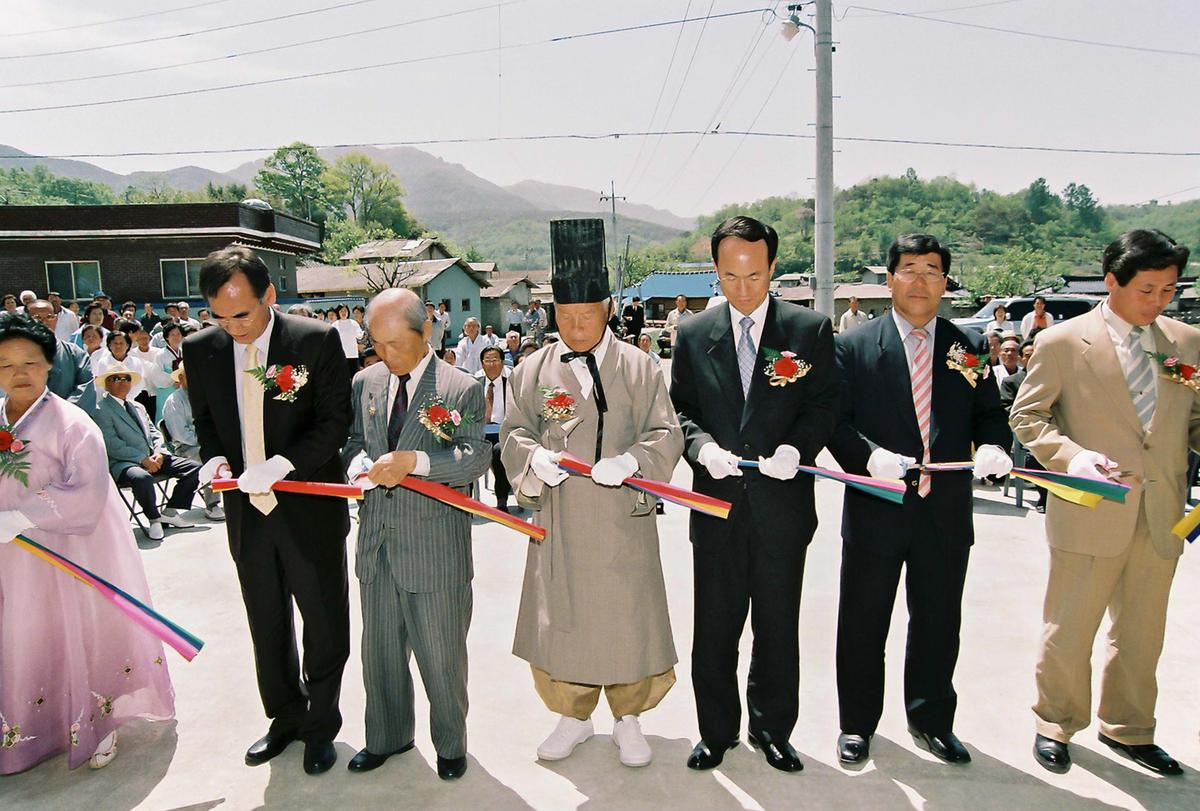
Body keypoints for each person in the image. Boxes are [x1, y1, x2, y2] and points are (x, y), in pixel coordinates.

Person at [1011, 230, 1198, 777]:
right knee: (1070, 626)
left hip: (1162, 510)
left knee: (1143, 631)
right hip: (1091, 508)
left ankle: (1130, 727)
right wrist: (1070, 457)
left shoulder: (1185, 343)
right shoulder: (1064, 343)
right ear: (1111, 281)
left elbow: (1192, 421)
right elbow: (1028, 418)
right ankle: (1055, 722)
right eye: (1148, 289)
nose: (1160, 301)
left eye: (1169, 289)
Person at [501, 218, 683, 769]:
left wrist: (634, 461)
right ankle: (573, 717)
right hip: (561, 518)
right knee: (567, 615)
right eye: (565, 317)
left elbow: (666, 432)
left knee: (627, 616)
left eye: (587, 315)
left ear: (607, 308)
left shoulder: (639, 366)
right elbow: (513, 432)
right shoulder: (533, 369)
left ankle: (629, 718)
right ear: (552, 315)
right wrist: (535, 458)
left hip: (623, 518)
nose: (577, 328)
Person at [826, 234, 1011, 768]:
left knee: (937, 621)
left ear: (944, 282)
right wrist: (866, 459)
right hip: (877, 506)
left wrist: (996, 444)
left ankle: (931, 719)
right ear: (889, 279)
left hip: (945, 512)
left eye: (933, 270)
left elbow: (989, 415)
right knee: (863, 622)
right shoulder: (855, 346)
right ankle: (856, 725)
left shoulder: (966, 348)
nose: (921, 280)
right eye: (909, 269)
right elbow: (835, 423)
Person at [671, 216, 839, 773]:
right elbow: (681, 411)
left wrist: (798, 447)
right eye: (729, 276)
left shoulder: (808, 330)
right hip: (716, 505)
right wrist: (701, 450)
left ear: (772, 269)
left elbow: (822, 406)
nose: (742, 290)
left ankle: (772, 729)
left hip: (782, 507)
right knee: (715, 625)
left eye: (754, 275)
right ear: (716, 272)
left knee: (775, 624)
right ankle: (715, 731)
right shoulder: (695, 334)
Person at [183, 245, 352, 776]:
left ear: (270, 296)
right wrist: (212, 459)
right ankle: (285, 716)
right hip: (246, 514)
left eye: (243, 314)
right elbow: (207, 421)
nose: (232, 326)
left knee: (323, 622)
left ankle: (322, 724)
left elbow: (332, 424)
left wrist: (281, 464)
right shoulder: (202, 348)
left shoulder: (315, 340)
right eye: (219, 315)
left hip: (307, 507)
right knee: (266, 621)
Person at [0, 313, 175, 775]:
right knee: (25, 632)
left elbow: (89, 492)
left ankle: (101, 718)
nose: (19, 375)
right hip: (12, 557)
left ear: (48, 365)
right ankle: (36, 725)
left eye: (30, 363)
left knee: (82, 628)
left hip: (72, 551)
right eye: (5, 365)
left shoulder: (73, 423)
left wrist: (22, 515)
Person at [341, 289, 489, 780]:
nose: (386, 355)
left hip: (433, 548)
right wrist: (357, 463)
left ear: (426, 331)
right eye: (376, 344)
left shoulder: (459, 387)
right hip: (377, 544)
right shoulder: (366, 381)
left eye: (396, 345)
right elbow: (354, 443)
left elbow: (475, 457)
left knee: (441, 656)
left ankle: (450, 744)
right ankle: (387, 736)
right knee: (379, 652)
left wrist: (418, 463)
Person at [91, 359, 200, 541]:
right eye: (117, 378)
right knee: (141, 478)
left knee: (194, 468)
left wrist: (159, 452)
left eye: (126, 378)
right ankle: (154, 519)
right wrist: (142, 459)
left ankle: (171, 511)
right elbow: (111, 443)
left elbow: (154, 432)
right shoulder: (100, 409)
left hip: (153, 457)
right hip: (123, 462)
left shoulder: (138, 406)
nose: (123, 382)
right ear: (108, 383)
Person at [161, 365, 224, 521]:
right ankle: (212, 504)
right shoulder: (174, 400)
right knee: (211, 456)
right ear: (181, 378)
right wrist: (207, 441)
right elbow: (180, 434)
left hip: (205, 442)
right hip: (186, 448)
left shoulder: (204, 396)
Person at [26, 299, 93, 403]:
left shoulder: (75, 354)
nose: (44, 322)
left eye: (49, 317)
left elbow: (85, 387)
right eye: (37, 318)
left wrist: (60, 412)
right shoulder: (11, 355)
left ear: (56, 319)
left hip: (67, 416)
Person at [475, 345, 514, 512]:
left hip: (502, 432)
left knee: (499, 451)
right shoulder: (475, 384)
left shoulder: (511, 384)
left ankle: (502, 500)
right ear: (482, 363)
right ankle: (467, 504)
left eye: (495, 360)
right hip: (479, 433)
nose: (491, 364)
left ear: (503, 362)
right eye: (487, 360)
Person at [332, 303, 364, 377]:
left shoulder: (353, 323)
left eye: (345, 311)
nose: (343, 313)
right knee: (342, 376)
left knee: (354, 376)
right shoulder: (334, 325)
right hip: (340, 356)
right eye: (341, 311)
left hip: (353, 355)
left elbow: (359, 336)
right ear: (338, 313)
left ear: (348, 312)